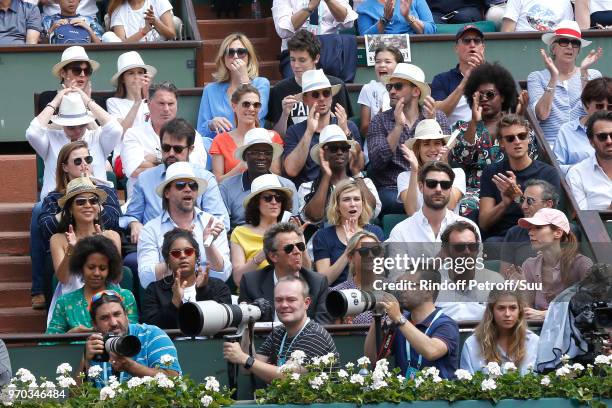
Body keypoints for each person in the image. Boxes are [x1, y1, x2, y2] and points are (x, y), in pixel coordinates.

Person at [34, 141, 121, 309]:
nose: (84, 165)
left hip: (108, 302)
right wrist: (71, 198)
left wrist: (89, 188)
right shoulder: (53, 200)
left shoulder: (111, 233)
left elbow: (112, 219)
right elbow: (47, 227)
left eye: (87, 159)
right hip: (71, 299)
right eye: (80, 202)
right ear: (65, 167)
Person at [120, 118, 229, 245]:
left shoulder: (205, 178)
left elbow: (221, 221)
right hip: (155, 245)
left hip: (196, 245)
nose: (171, 154)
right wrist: (134, 223)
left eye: (178, 149)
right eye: (166, 148)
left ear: (191, 149)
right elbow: (132, 215)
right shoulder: (145, 179)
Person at [449, 62, 535, 218]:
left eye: (489, 94)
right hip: (475, 193)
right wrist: (475, 122)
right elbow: (463, 157)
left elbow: (529, 158)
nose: (484, 99)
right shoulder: (461, 128)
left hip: (512, 189)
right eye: (479, 95)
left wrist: (518, 119)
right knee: (466, 209)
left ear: (502, 97)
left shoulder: (521, 129)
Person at [367, 62, 449, 216]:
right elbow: (376, 162)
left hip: (431, 182)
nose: (392, 91)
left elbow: (445, 159)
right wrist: (398, 126)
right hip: (392, 187)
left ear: (416, 91)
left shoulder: (438, 117)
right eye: (389, 87)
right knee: (393, 200)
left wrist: (431, 124)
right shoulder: (379, 120)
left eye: (398, 86)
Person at [223, 275, 338, 383]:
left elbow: (287, 376)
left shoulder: (314, 335)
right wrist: (248, 326)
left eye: (291, 300)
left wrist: (244, 358)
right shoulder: (279, 332)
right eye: (279, 300)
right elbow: (248, 369)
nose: (284, 305)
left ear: (306, 303)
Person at [138, 162, 231, 289]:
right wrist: (177, 247)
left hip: (206, 296)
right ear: (167, 193)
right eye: (180, 185)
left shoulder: (212, 223)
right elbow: (146, 279)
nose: (188, 189)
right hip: (168, 297)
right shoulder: (150, 229)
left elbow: (223, 275)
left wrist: (208, 245)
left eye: (193, 186)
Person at [364, 267, 459, 379]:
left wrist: (399, 318)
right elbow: (373, 358)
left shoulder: (446, 324)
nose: (401, 290)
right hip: (405, 395)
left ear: (428, 290)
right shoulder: (400, 323)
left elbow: (432, 351)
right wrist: (377, 316)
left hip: (438, 395)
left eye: (406, 284)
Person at [26, 86, 122, 198]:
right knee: (38, 210)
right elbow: (32, 132)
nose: (77, 130)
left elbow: (116, 129)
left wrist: (87, 101)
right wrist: (56, 101)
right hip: (55, 203)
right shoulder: (51, 138)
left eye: (82, 125)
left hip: (94, 202)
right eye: (71, 127)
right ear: (62, 124)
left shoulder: (97, 137)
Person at [478, 114, 559, 242]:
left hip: (538, 234)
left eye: (522, 136)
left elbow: (552, 217)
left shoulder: (548, 173)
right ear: (501, 143)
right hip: (503, 238)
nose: (517, 141)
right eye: (510, 138)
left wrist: (517, 198)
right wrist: (504, 203)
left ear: (528, 139)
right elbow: (484, 222)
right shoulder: (492, 172)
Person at [121, 83, 207, 196]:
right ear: (148, 104)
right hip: (143, 200)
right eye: (161, 104)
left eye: (171, 104)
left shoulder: (192, 134)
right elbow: (134, 170)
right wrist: (176, 161)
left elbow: (195, 168)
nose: (166, 109)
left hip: (183, 200)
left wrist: (155, 158)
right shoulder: (133, 134)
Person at [239, 222, 333, 324]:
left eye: (300, 246)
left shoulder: (317, 283)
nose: (297, 251)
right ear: (273, 256)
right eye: (289, 248)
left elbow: (323, 325)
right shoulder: (251, 282)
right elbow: (246, 327)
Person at [82, 291, 181, 387]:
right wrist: (85, 360)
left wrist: (130, 366)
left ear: (126, 315)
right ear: (94, 324)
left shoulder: (151, 334)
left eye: (117, 314)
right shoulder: (97, 346)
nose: (113, 323)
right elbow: (75, 398)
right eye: (104, 318)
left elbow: (173, 380)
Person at [527, 20, 603, 146]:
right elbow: (542, 114)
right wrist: (554, 77)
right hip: (551, 146)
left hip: (586, 143)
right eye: (564, 41)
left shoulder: (593, 75)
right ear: (553, 48)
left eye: (575, 43)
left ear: (578, 50)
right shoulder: (536, 77)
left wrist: (584, 73)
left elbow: (592, 110)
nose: (569, 46)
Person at [282, 69, 362, 188]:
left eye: (326, 93)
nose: (322, 98)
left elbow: (359, 166)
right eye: (315, 94)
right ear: (305, 99)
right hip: (310, 192)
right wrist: (309, 132)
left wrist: (345, 132)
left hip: (344, 189)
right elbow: (291, 170)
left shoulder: (348, 126)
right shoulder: (294, 131)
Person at [266, 29, 353, 137]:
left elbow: (346, 126)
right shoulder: (280, 89)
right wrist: (284, 115)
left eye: (302, 60)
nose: (296, 65)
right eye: (292, 59)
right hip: (294, 147)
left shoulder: (335, 86)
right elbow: (278, 137)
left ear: (316, 58)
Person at [142, 228, 231, 329]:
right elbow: (151, 328)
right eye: (176, 253)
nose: (183, 256)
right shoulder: (154, 290)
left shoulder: (218, 287)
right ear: (167, 260)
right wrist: (174, 303)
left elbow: (223, 323)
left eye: (188, 251)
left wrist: (203, 291)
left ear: (196, 256)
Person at [47, 235, 137, 334]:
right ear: (81, 268)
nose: (96, 273)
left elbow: (134, 335)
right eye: (91, 267)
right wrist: (70, 336)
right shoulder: (64, 302)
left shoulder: (125, 297)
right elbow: (48, 344)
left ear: (110, 270)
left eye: (102, 268)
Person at [388, 161, 480, 254]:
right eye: (431, 183)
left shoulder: (469, 230)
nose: (438, 189)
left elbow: (476, 267)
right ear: (420, 187)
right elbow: (398, 268)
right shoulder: (401, 231)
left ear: (450, 189)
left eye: (445, 185)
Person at [517, 208, 593, 320]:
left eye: (538, 228)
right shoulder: (529, 265)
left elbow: (590, 309)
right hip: (538, 333)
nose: (530, 233)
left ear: (558, 233)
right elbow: (527, 310)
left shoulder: (581, 264)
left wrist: (546, 314)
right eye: (530, 229)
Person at [220, 128, 298, 229]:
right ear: (245, 156)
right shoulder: (227, 187)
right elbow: (223, 226)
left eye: (267, 153)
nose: (262, 157)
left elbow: (292, 223)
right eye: (255, 152)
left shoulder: (287, 186)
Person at [300, 124, 380, 224]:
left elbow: (371, 209)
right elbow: (314, 217)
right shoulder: (308, 187)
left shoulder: (364, 183)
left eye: (344, 148)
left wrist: (355, 171)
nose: (340, 152)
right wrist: (326, 176)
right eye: (333, 148)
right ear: (323, 154)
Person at [196, 33, 270, 139]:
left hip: (250, 144)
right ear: (223, 58)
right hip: (220, 147)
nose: (235, 56)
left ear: (249, 57)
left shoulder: (261, 83)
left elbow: (258, 114)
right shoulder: (210, 90)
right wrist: (211, 125)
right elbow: (200, 131)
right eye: (230, 52)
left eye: (241, 52)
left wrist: (244, 80)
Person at [313, 180, 384, 287]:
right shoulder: (322, 236)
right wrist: (349, 250)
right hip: (336, 297)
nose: (352, 204)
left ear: (363, 203)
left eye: (357, 199)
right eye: (346, 200)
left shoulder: (375, 232)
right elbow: (324, 281)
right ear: (337, 205)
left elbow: (381, 271)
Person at [230, 174, 298, 286]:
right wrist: (263, 254)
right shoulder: (239, 233)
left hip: (287, 291)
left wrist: (300, 240)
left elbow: (306, 270)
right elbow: (238, 279)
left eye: (278, 198)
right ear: (256, 203)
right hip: (253, 295)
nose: (274, 202)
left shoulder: (289, 231)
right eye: (268, 198)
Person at [210, 85, 283, 183]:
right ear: (234, 106)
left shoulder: (272, 137)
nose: (252, 108)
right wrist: (242, 166)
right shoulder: (220, 140)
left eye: (256, 105)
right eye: (246, 104)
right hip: (233, 195)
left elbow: (277, 175)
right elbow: (218, 182)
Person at [435, 221, 504, 322]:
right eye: (459, 247)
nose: (467, 252)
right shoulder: (432, 283)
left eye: (472, 247)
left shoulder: (495, 281)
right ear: (446, 251)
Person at [460, 290, 539, 375]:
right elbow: (466, 384)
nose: (507, 314)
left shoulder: (533, 342)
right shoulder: (472, 344)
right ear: (491, 311)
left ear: (520, 311)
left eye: (513, 308)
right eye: (501, 308)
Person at [272, 0, 357, 78]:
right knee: (296, 87)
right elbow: (283, 31)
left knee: (337, 85)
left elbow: (348, 23)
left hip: (329, 51)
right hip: (297, 51)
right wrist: (309, 8)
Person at [397, 119, 465, 216]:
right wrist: (414, 170)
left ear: (443, 146)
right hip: (419, 229)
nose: (432, 149)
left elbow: (450, 206)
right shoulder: (404, 177)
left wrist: (443, 165)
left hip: (449, 229)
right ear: (418, 149)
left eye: (437, 143)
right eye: (426, 144)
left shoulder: (458, 173)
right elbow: (411, 211)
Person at [499, 179, 558, 277]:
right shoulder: (514, 233)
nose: (523, 206)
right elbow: (504, 277)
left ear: (548, 204)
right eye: (522, 200)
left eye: (530, 201)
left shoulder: (568, 231)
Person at [553, 77, 611, 175]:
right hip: (577, 186)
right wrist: (584, 170)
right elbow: (556, 167)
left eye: (610, 107)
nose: (604, 111)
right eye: (599, 106)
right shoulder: (567, 130)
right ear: (587, 104)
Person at [431, 25, 485, 127]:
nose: (472, 45)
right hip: (455, 139)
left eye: (476, 41)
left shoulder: (497, 76)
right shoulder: (442, 79)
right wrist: (465, 82)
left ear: (483, 48)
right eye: (466, 41)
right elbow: (439, 115)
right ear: (456, 48)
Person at [330, 231, 383, 324]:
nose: (371, 255)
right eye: (364, 251)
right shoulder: (339, 293)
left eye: (375, 250)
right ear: (350, 257)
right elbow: (334, 334)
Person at [566, 110, 612, 211]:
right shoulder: (577, 173)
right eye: (602, 137)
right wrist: (610, 210)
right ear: (591, 142)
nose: (609, 141)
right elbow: (583, 220)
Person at [37, 46, 105, 113]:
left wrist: (88, 103)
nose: (82, 75)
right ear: (63, 73)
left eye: (87, 71)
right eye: (76, 70)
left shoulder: (98, 101)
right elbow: (46, 123)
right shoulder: (48, 98)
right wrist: (68, 101)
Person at [358, 45, 402, 137]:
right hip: (375, 142)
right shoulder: (368, 88)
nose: (382, 65)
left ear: (398, 65)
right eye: (378, 62)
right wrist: (379, 118)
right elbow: (364, 130)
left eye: (388, 62)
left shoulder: (406, 88)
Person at [106, 51, 156, 132]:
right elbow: (121, 131)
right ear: (122, 79)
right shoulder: (113, 102)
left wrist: (148, 93)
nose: (136, 77)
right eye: (131, 73)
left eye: (140, 73)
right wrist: (137, 102)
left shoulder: (153, 100)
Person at [107, 0, 175, 42]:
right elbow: (121, 47)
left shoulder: (159, 1)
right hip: (133, 58)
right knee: (107, 36)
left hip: (160, 53)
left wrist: (155, 22)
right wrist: (144, 31)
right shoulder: (118, 9)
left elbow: (171, 35)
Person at [356, 0, 436, 35]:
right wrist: (384, 19)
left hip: (416, 49)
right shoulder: (365, 7)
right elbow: (364, 39)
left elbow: (431, 30)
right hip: (382, 52)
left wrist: (408, 17)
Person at [501, 0, 573, 32]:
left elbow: (567, 33)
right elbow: (507, 30)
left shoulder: (565, 2)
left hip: (552, 49)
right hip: (521, 47)